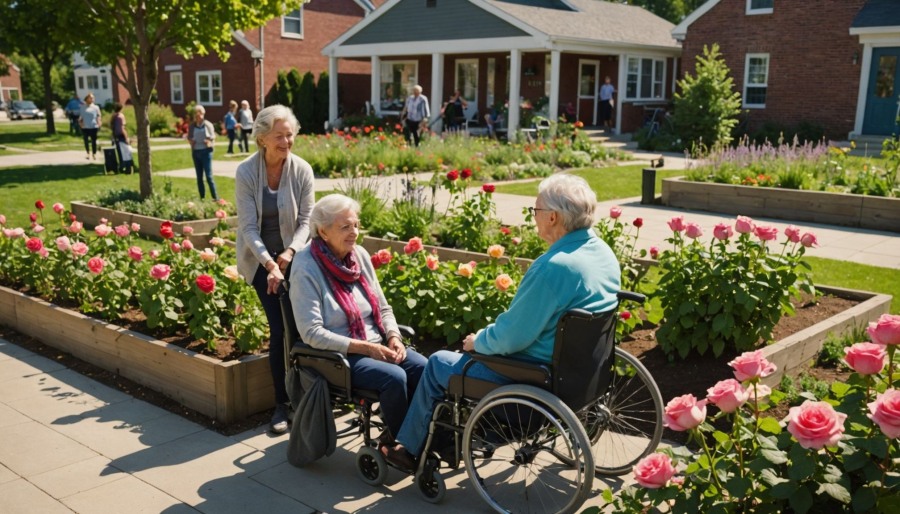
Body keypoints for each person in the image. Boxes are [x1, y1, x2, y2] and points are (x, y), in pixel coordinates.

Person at [381, 173, 622, 471]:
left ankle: (410, 449)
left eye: (536, 211)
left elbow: (512, 338)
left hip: (535, 375)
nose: (533, 218)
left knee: (438, 364)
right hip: (585, 370)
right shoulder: (602, 252)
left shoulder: (553, 268)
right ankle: (468, 435)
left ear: (553, 218)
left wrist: (477, 341)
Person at [290, 194, 428, 443]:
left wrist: (393, 336)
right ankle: (404, 445)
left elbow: (383, 308)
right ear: (323, 231)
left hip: (376, 344)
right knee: (394, 378)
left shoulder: (359, 256)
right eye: (345, 227)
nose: (354, 232)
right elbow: (311, 332)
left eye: (356, 225)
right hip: (339, 356)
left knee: (424, 368)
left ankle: (423, 437)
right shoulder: (305, 267)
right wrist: (365, 348)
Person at [235, 104, 316, 433]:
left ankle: (309, 397)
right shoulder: (246, 172)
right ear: (262, 138)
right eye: (280, 135)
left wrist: (288, 254)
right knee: (280, 329)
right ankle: (281, 405)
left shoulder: (301, 170)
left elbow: (307, 221)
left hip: (296, 258)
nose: (287, 141)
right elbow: (248, 227)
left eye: (291, 134)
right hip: (259, 261)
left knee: (305, 327)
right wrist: (270, 263)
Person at [188, 105, 218, 200]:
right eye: (197, 115)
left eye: (200, 114)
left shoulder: (207, 124)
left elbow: (213, 137)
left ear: (203, 114)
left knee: (208, 176)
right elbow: (189, 137)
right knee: (199, 177)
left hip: (206, 152)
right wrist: (191, 141)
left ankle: (216, 198)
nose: (199, 117)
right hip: (196, 152)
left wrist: (209, 141)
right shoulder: (192, 126)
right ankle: (202, 198)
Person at [109, 103, 132, 174]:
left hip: (116, 136)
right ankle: (128, 168)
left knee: (120, 153)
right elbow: (122, 128)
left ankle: (121, 167)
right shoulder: (121, 116)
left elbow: (112, 127)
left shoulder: (114, 116)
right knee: (126, 153)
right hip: (122, 136)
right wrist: (126, 138)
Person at [78, 93, 102, 161]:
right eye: (90, 98)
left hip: (93, 126)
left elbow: (98, 116)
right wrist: (81, 124)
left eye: (93, 98)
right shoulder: (83, 107)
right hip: (85, 127)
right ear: (87, 99)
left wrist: (99, 122)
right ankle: (88, 153)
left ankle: (94, 153)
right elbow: (80, 117)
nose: (92, 99)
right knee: (86, 140)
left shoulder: (96, 107)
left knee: (93, 141)